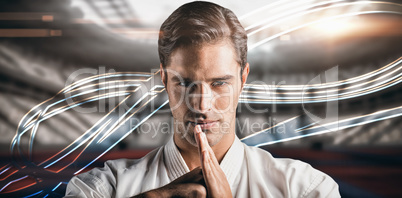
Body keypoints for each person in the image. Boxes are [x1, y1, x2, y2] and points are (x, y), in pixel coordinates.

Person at [64, 1, 340, 197]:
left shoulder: (307, 189)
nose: (201, 105)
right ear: (164, 79)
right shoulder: (101, 188)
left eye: (219, 83)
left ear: (243, 78)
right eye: (184, 83)